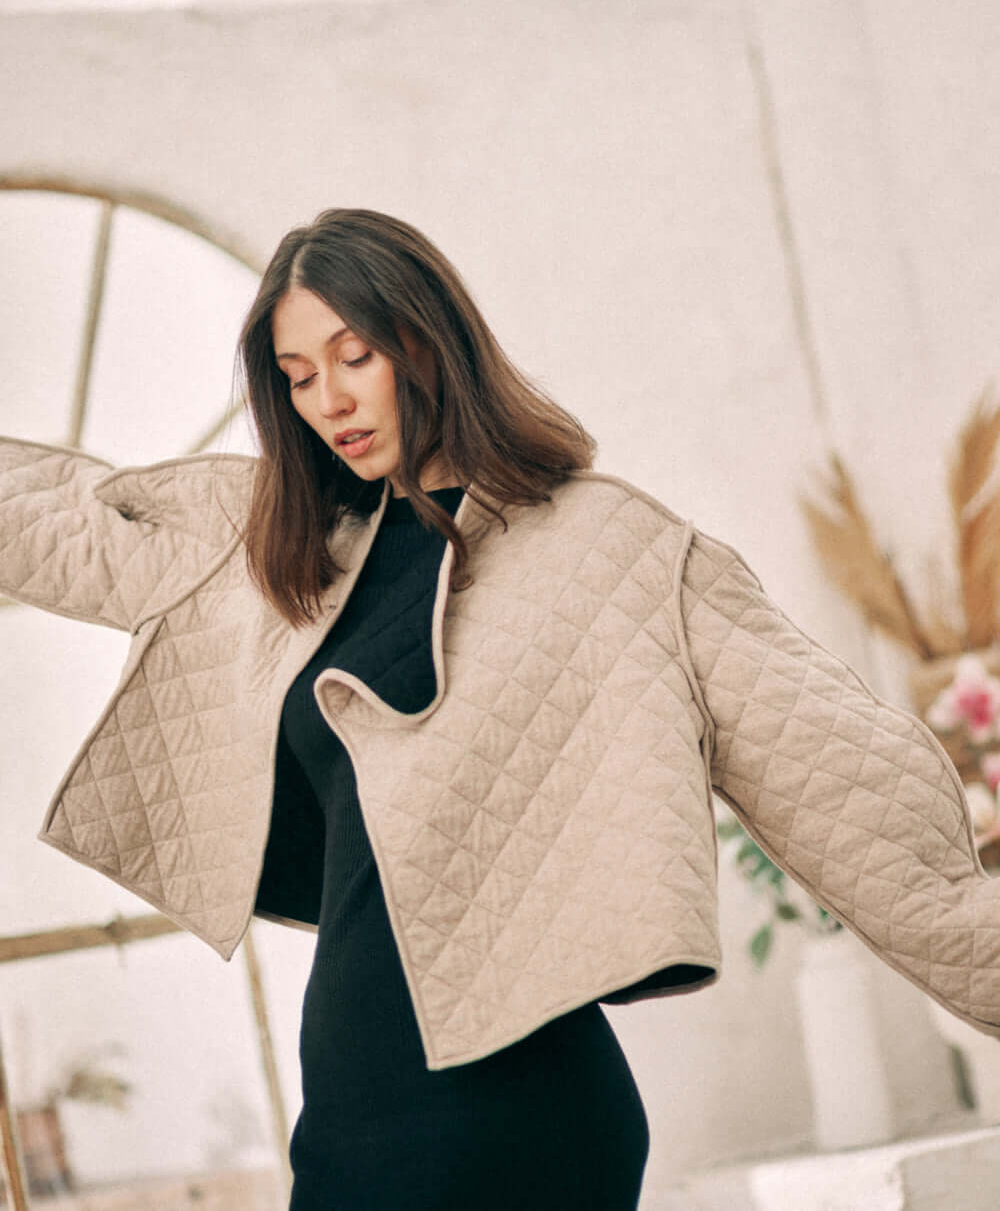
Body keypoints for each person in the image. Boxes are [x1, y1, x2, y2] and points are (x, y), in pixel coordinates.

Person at [1, 206, 998, 1211]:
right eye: (299, 376)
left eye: (355, 356)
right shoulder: (285, 555)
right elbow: (56, 521)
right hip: (349, 1110)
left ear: (427, 342)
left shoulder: (613, 549)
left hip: (514, 1119)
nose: (329, 399)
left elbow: (858, 804)